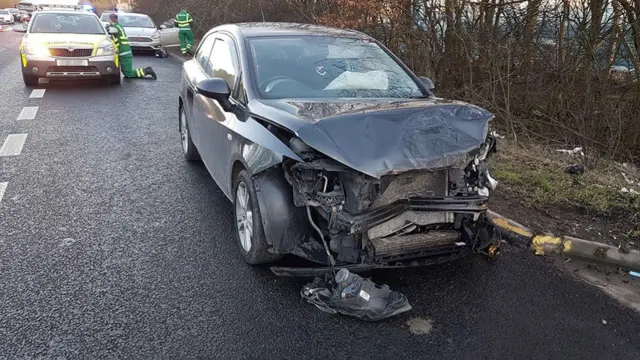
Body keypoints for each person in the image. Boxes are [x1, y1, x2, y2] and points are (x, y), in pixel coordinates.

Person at [109, 13, 156, 80]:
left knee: (128, 73)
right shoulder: (118, 26)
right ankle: (146, 70)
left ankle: (146, 71)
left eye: (110, 19)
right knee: (125, 72)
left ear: (113, 19)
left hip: (124, 52)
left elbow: (110, 31)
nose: (109, 21)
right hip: (124, 51)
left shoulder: (116, 28)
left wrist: (108, 27)